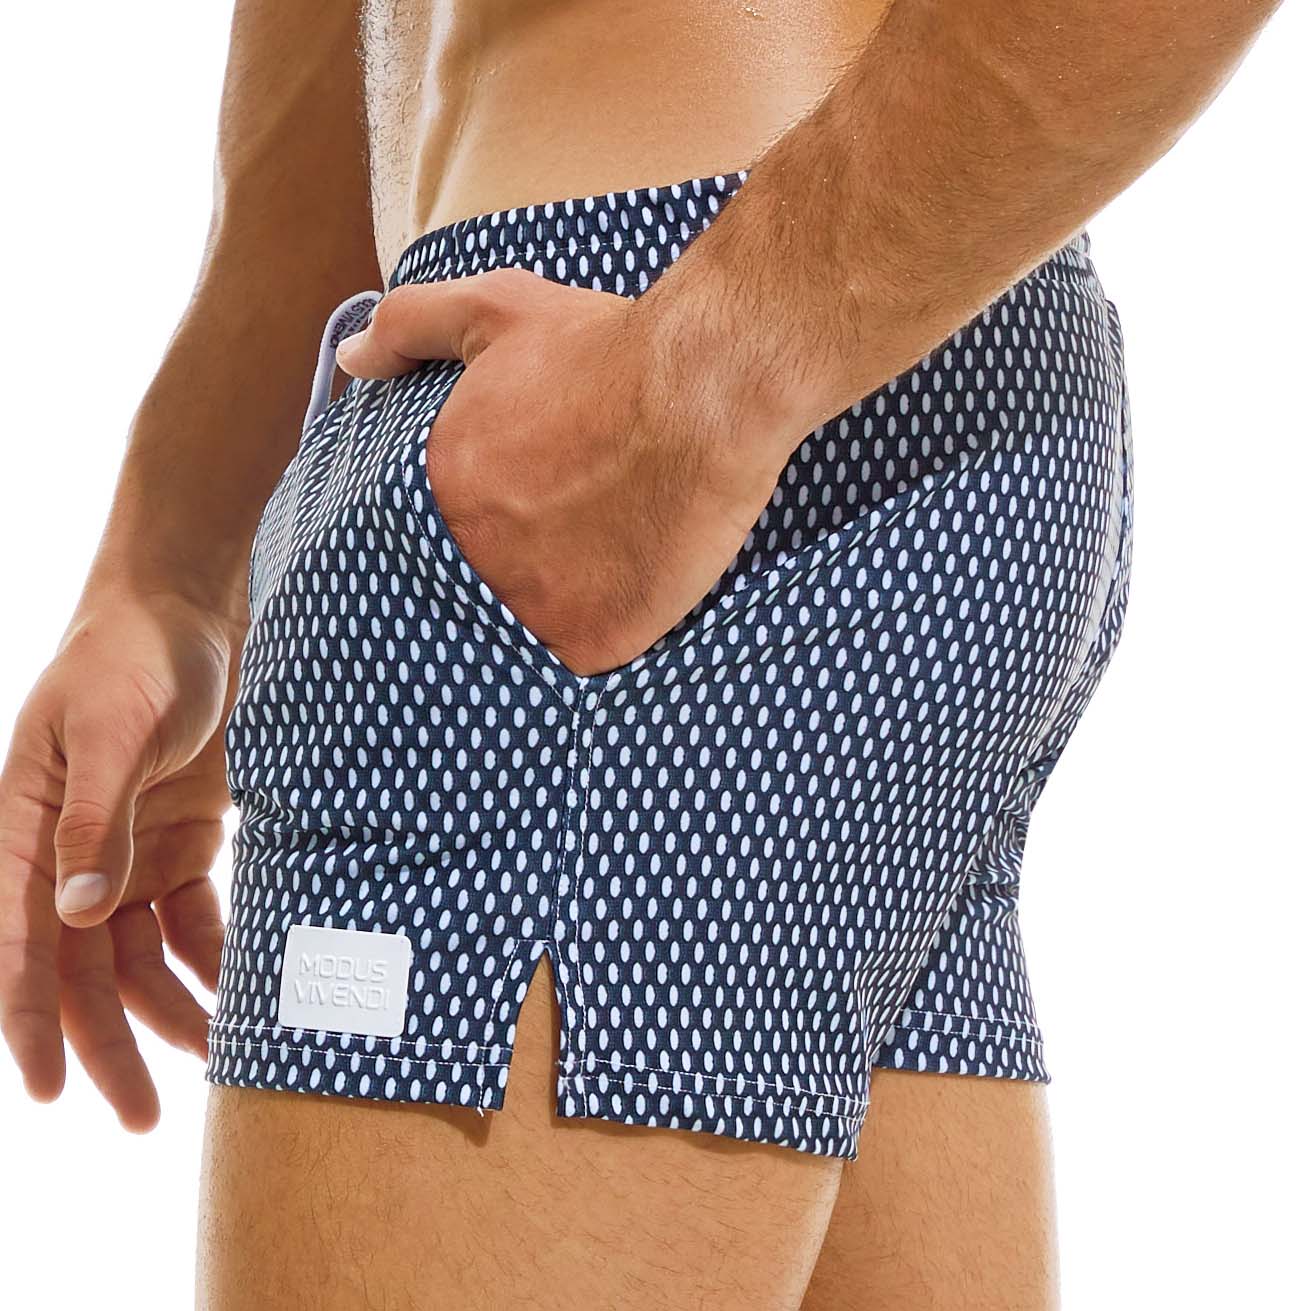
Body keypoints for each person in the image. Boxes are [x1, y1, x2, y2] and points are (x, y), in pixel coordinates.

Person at [0, 1, 1283, 1306]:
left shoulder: (679, 383)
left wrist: (704, 373)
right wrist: (173, 558)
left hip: (657, 361)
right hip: (826, 350)